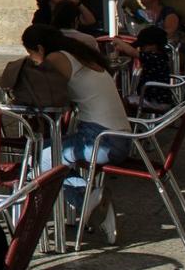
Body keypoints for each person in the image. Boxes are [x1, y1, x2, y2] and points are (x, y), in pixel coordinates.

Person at [24, 24, 128, 244]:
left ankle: (85, 200)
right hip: (120, 138)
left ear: (39, 48)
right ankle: (91, 199)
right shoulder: (79, 54)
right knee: (50, 156)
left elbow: (42, 92)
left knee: (40, 158)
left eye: (32, 55)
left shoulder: (57, 58)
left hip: (100, 139)